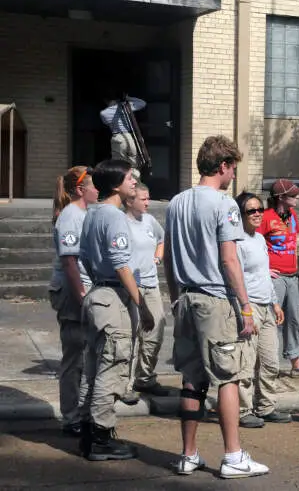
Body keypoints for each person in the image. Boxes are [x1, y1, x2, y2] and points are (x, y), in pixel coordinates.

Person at [163, 135, 269, 479]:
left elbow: (168, 257)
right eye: (232, 168)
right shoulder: (224, 205)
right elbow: (229, 259)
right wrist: (246, 307)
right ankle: (233, 455)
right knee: (229, 377)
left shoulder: (176, 202)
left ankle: (188, 454)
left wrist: (174, 295)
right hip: (214, 300)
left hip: (187, 297)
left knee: (191, 379)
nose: (232, 175)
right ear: (222, 166)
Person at [79, 159, 155, 461]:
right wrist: (142, 303)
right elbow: (122, 264)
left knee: (97, 367)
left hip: (99, 291)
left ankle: (89, 432)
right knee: (112, 366)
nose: (134, 183)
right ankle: (100, 438)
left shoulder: (92, 214)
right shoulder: (114, 217)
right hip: (113, 295)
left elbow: (84, 256)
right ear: (115, 186)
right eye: (129, 179)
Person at [234, 192, 292, 428]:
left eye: (259, 209)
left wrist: (275, 302)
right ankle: (243, 409)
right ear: (241, 214)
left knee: (270, 361)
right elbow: (235, 277)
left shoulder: (259, 239)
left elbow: (265, 276)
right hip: (249, 307)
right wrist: (245, 309)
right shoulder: (236, 242)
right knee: (246, 362)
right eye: (251, 211)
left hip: (266, 306)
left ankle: (266, 406)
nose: (257, 214)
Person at [48, 166, 99, 437]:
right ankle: (70, 418)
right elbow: (70, 262)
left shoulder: (84, 213)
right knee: (74, 358)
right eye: (95, 186)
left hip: (82, 289)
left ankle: (81, 413)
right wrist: (82, 296)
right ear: (81, 190)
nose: (99, 190)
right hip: (72, 293)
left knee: (84, 356)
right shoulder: (70, 216)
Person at [258, 178, 299, 381]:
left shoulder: (293, 215)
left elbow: (293, 244)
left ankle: (296, 364)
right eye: (293, 195)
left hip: (292, 277)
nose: (298, 197)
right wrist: (263, 270)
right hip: (274, 277)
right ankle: (265, 367)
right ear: (281, 197)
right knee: (270, 321)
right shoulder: (266, 217)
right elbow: (253, 243)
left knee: (293, 320)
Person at [120, 182, 170, 404]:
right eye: (143, 199)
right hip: (132, 285)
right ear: (130, 201)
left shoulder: (149, 221)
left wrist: (157, 258)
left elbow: (162, 239)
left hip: (151, 284)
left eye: (148, 198)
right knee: (133, 334)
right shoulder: (121, 223)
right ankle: (126, 384)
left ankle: (145, 377)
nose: (148, 202)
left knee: (156, 327)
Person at [100, 93, 146, 180]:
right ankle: (135, 183)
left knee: (119, 165)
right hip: (132, 137)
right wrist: (129, 98)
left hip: (118, 138)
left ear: (106, 101)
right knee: (134, 164)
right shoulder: (127, 107)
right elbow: (142, 103)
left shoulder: (104, 113)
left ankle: (121, 184)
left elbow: (106, 122)